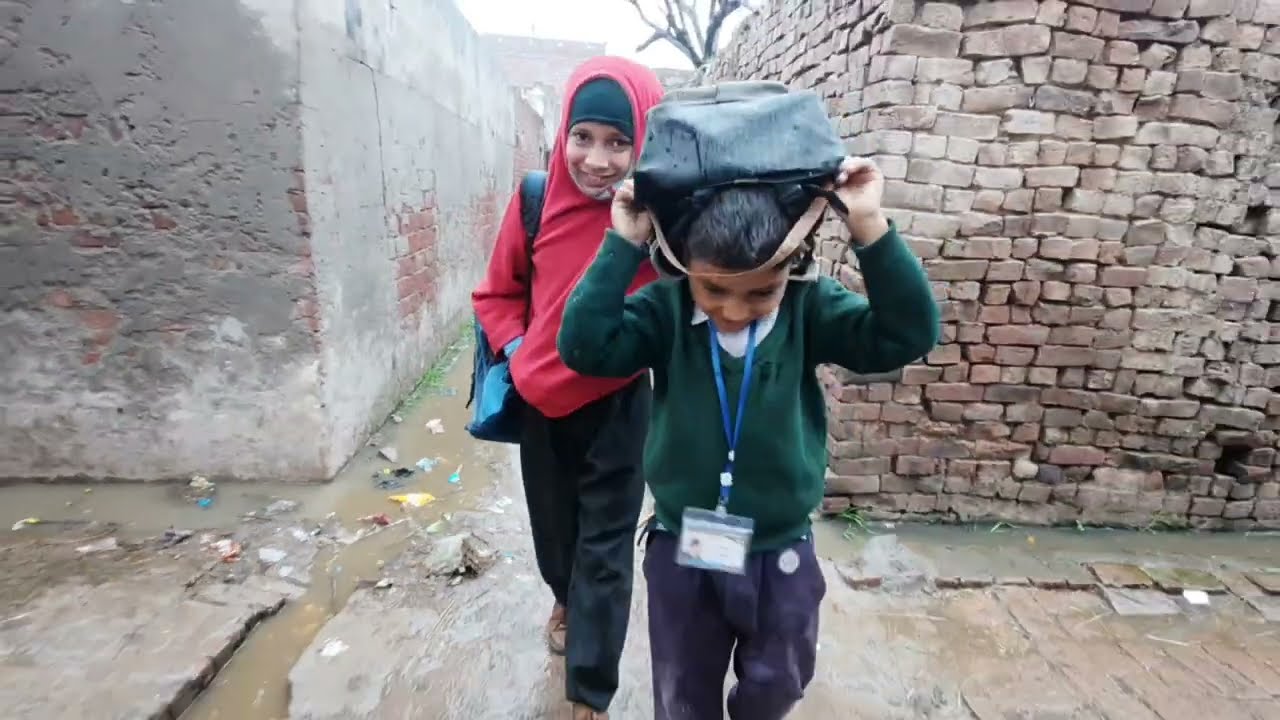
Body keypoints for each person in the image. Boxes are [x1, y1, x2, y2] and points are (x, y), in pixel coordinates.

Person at [557, 157, 940, 719]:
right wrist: (622, 245)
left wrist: (869, 226)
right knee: (682, 691)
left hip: (780, 548)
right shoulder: (666, 312)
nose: (734, 311)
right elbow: (584, 347)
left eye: (762, 292)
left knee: (778, 683)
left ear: (793, 266)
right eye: (714, 289)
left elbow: (906, 334)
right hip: (684, 547)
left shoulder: (810, 308)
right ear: (684, 265)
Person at [471, 56, 665, 720]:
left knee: (606, 550)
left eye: (619, 142)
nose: (598, 159)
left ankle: (590, 690)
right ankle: (562, 592)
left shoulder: (657, 219)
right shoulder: (533, 201)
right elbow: (496, 295)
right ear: (563, 135)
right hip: (540, 405)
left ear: (644, 142)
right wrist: (523, 351)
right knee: (556, 537)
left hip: (619, 402)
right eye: (584, 137)